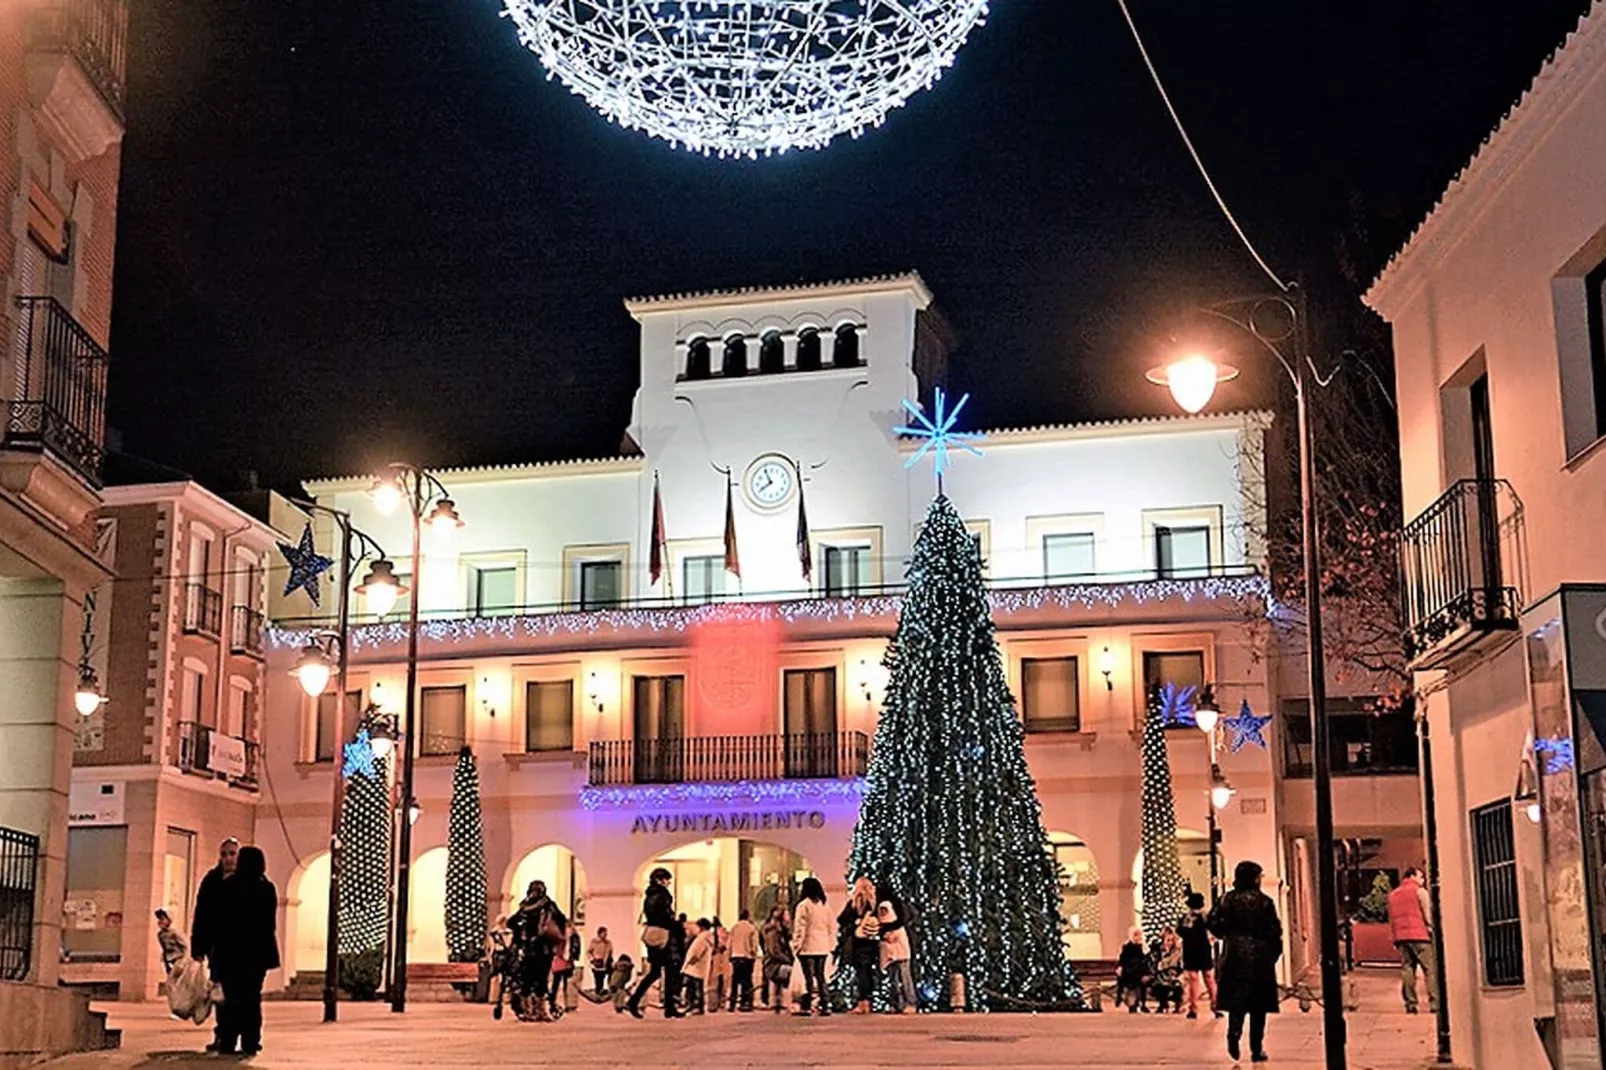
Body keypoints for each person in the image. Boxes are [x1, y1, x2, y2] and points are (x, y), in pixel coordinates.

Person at [208, 846, 279, 1056]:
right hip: (257, 954)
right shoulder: (266, 888)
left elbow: (219, 922)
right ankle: (251, 1040)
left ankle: (228, 1039)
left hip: (231, 953)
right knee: (251, 997)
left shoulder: (228, 886)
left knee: (231, 998)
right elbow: (269, 923)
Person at [1210, 860, 1282, 1064]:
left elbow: (1213, 923)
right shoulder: (1265, 902)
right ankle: (1256, 1048)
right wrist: (1273, 953)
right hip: (1260, 956)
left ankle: (1234, 1034)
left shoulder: (1227, 900)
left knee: (1237, 1004)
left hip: (1234, 955)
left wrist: (1227, 934)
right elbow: (1274, 931)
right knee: (1258, 1007)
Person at [188, 837, 239, 1052]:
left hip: (241, 949)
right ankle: (223, 1035)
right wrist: (198, 947)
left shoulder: (248, 880)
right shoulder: (212, 880)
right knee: (220, 994)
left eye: (232, 853)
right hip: (218, 949)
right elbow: (202, 914)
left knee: (238, 995)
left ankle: (235, 1035)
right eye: (224, 854)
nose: (228, 858)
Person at [627, 867, 684, 1019]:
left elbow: (651, 915)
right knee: (670, 970)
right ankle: (669, 1007)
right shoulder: (662, 895)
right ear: (660, 880)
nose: (668, 883)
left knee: (655, 972)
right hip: (663, 935)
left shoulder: (648, 895)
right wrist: (676, 924)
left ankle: (634, 1001)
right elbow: (664, 916)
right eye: (667, 880)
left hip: (652, 934)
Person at [510, 880, 567, 1022]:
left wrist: (521, 936)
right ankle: (540, 1010)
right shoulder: (548, 905)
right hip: (543, 949)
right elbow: (561, 920)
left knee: (527, 980)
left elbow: (511, 923)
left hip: (527, 949)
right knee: (540, 980)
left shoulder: (524, 906)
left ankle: (528, 1010)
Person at [1388, 866, 1439, 1016]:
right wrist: (1432, 928)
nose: (1423, 880)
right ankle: (1434, 1003)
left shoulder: (1393, 894)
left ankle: (1410, 1003)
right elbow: (1427, 914)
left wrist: (1395, 937)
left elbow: (1391, 918)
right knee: (1430, 969)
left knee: (1407, 969)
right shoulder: (1419, 891)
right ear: (1412, 876)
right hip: (1420, 935)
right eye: (1421, 877)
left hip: (1401, 937)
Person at [838, 877, 883, 1013]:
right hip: (872, 942)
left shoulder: (855, 903)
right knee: (868, 972)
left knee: (861, 973)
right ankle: (868, 1002)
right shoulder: (875, 903)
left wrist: (856, 923)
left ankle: (862, 1002)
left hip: (859, 943)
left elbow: (841, 919)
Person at [791, 877, 834, 1016]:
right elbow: (830, 926)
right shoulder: (824, 905)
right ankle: (825, 1004)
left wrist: (796, 946)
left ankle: (808, 1006)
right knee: (821, 976)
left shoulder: (803, 906)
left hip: (807, 947)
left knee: (808, 977)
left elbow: (800, 928)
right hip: (822, 946)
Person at [1178, 892, 1219, 1019]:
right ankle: (1205, 1007)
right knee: (1204, 978)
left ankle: (1203, 1007)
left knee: (1201, 978)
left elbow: (1180, 931)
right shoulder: (1204, 917)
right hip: (1200, 949)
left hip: (1194, 949)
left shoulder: (1195, 917)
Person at [877, 890, 915, 1014]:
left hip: (898, 942)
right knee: (892, 977)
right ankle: (896, 1003)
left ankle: (910, 1002)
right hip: (888, 944)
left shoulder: (894, 905)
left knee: (904, 976)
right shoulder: (880, 905)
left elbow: (900, 920)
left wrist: (885, 931)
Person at [760, 904, 793, 1012]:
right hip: (773, 965)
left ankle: (779, 1001)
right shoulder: (773, 933)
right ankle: (794, 1001)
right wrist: (789, 961)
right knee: (794, 973)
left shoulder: (783, 933)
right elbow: (774, 952)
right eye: (786, 917)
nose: (789, 920)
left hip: (779, 964)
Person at [727, 909, 759, 1011]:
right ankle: (746, 1002)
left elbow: (729, 943)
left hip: (735, 956)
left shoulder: (734, 927)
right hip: (747, 957)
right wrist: (754, 954)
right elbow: (754, 944)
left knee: (735, 981)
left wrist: (729, 955)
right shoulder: (751, 928)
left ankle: (732, 1003)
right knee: (747, 981)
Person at [681, 918, 714, 1014]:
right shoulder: (707, 937)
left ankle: (695, 1006)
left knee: (693, 988)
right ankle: (697, 1006)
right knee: (697, 987)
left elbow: (697, 952)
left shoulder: (702, 938)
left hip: (695, 967)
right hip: (700, 968)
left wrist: (691, 961)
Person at [1150, 926, 1184, 1013]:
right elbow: (1157, 966)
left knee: (1177, 985)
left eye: (1172, 940)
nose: (1170, 943)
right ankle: (1163, 1004)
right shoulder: (1157, 951)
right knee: (1159, 985)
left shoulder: (1178, 952)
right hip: (1161, 976)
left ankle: (1178, 1005)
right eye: (1168, 940)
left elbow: (1180, 966)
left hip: (1174, 975)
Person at [1116, 928, 1151, 1013]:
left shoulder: (1143, 947)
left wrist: (1147, 973)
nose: (1138, 937)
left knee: (1143, 980)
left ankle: (1141, 1003)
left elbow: (1146, 962)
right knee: (1132, 981)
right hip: (1129, 971)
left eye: (1139, 935)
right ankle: (1132, 1003)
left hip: (1140, 971)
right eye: (1136, 935)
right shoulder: (1127, 947)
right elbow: (1123, 960)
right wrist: (1120, 967)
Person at [154, 909, 187, 974]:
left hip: (180, 960)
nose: (160, 921)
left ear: (168, 920)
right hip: (171, 961)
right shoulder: (160, 935)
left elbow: (186, 948)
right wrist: (166, 966)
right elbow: (164, 950)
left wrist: (182, 963)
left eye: (162, 919)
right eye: (159, 919)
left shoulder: (174, 933)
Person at [588, 926, 614, 996]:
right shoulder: (594, 942)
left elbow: (610, 953)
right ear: (599, 933)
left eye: (606, 933)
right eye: (604, 933)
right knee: (598, 979)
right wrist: (592, 960)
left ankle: (606, 991)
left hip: (605, 962)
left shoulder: (608, 943)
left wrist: (610, 961)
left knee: (607, 977)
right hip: (597, 962)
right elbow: (589, 952)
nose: (605, 935)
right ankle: (598, 991)